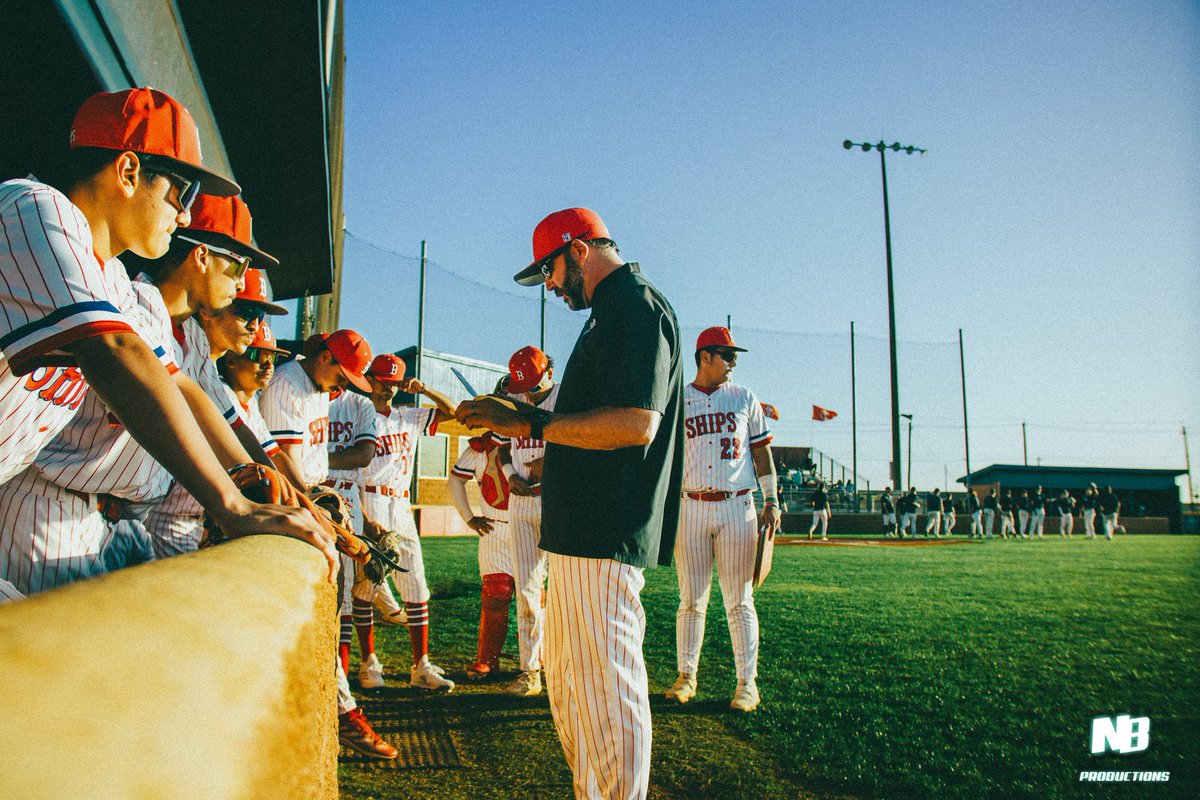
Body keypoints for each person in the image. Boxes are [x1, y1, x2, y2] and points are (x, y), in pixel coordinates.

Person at [0, 88, 334, 599]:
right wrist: (230, 505)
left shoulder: (110, 276)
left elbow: (176, 382)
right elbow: (114, 351)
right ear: (129, 171)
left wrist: (245, 475)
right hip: (44, 504)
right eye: (182, 192)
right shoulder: (33, 205)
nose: (184, 216)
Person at [456, 207, 684, 800]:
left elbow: (637, 424)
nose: (551, 286)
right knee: (574, 680)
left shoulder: (636, 304)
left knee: (608, 683)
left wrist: (529, 418)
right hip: (580, 528)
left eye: (550, 270)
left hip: (607, 530)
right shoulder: (609, 310)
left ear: (579, 249)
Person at [258, 329, 397, 759]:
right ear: (323, 357)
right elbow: (283, 468)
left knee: (323, 621)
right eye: (341, 376)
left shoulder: (317, 387)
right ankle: (343, 714)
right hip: (291, 510)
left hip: (313, 504)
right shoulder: (287, 384)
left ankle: (330, 713)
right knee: (310, 623)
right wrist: (336, 529)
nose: (342, 388)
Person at [666, 326, 779, 712]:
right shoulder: (678, 400)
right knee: (691, 599)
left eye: (734, 356)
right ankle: (686, 676)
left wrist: (773, 500)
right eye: (727, 355)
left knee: (739, 601)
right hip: (691, 505)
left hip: (737, 506)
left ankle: (747, 684)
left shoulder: (745, 398)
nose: (733, 362)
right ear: (704, 357)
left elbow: (762, 455)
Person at [354, 354, 458, 691]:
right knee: (366, 585)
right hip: (368, 498)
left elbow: (455, 412)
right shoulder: (357, 412)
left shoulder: (408, 416)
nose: (389, 387)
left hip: (400, 503)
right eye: (383, 380)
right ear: (370, 378)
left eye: (395, 382)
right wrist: (364, 517)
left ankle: (421, 667)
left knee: (416, 584)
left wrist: (423, 388)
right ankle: (369, 664)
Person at [498, 346, 560, 697]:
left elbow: (581, 442)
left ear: (548, 373)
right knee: (526, 590)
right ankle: (529, 670)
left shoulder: (567, 395)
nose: (526, 393)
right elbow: (503, 448)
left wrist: (548, 463)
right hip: (521, 505)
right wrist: (509, 475)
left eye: (532, 386)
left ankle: (560, 664)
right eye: (521, 387)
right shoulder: (516, 399)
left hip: (557, 502)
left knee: (565, 593)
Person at [448, 429, 514, 683]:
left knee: (534, 598)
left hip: (530, 525)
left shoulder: (531, 439)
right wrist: (469, 517)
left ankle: (535, 660)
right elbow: (455, 480)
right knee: (496, 593)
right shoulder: (479, 448)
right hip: (494, 526)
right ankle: (487, 660)